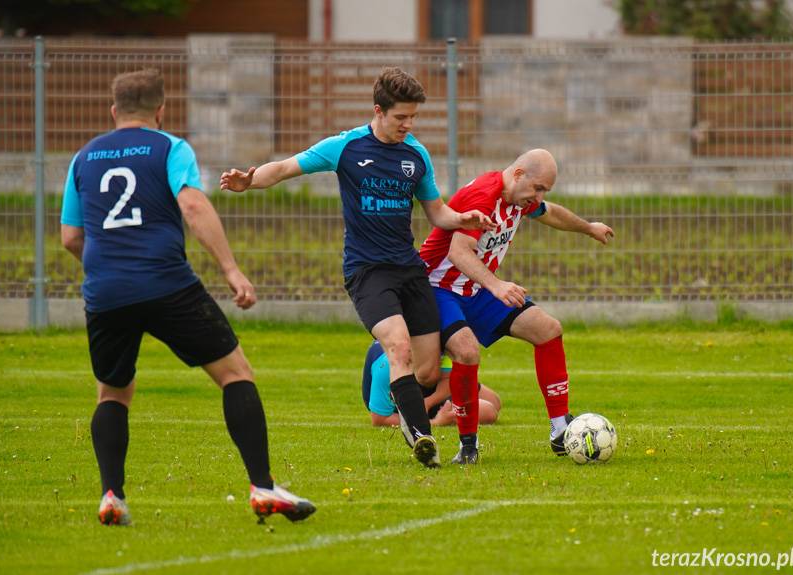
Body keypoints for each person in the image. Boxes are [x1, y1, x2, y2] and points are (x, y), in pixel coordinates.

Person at [60, 69, 315, 526]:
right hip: (165, 282)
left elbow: (69, 237)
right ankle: (262, 485)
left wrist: (109, 269)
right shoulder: (169, 147)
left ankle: (111, 496)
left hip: (106, 290)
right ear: (161, 110)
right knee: (235, 373)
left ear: (113, 110)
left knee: (113, 392)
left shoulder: (83, 158)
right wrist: (231, 269)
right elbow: (194, 206)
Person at [220, 67, 492, 468]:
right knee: (398, 346)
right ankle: (422, 438)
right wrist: (251, 181)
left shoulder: (415, 155)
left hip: (408, 270)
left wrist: (463, 219)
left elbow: (436, 212)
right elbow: (286, 167)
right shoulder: (346, 147)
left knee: (428, 370)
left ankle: (398, 394)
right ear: (378, 111)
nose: (408, 125)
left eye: (413, 117)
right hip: (368, 272)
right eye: (401, 117)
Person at [419, 149, 614, 464]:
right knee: (465, 352)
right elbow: (458, 252)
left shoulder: (521, 199)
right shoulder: (484, 196)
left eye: (544, 191)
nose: (538, 197)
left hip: (474, 288)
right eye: (537, 188)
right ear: (519, 173)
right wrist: (496, 285)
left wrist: (588, 227)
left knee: (548, 330)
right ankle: (467, 447)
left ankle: (560, 429)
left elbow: (550, 213)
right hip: (435, 289)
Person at [361, 341, 501, 427]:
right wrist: (437, 422)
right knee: (487, 411)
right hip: (403, 398)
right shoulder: (387, 364)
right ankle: (431, 415)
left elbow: (447, 380)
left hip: (429, 389)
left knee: (494, 401)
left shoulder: (442, 343)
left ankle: (432, 407)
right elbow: (379, 419)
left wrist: (428, 402)